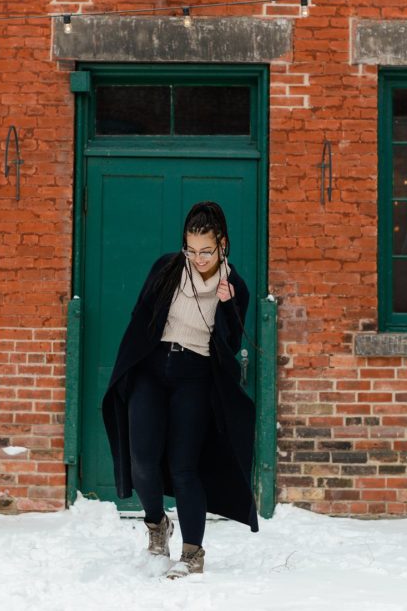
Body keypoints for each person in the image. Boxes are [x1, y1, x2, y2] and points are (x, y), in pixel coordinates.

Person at [102, 201, 258, 580]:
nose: (198, 257)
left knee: (184, 466)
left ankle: (192, 553)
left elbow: (228, 345)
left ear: (223, 244)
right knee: (142, 461)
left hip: (195, 375)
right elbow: (140, 318)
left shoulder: (234, 287)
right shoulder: (167, 268)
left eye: (206, 250)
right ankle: (157, 525)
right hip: (152, 371)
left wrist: (226, 306)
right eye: (191, 249)